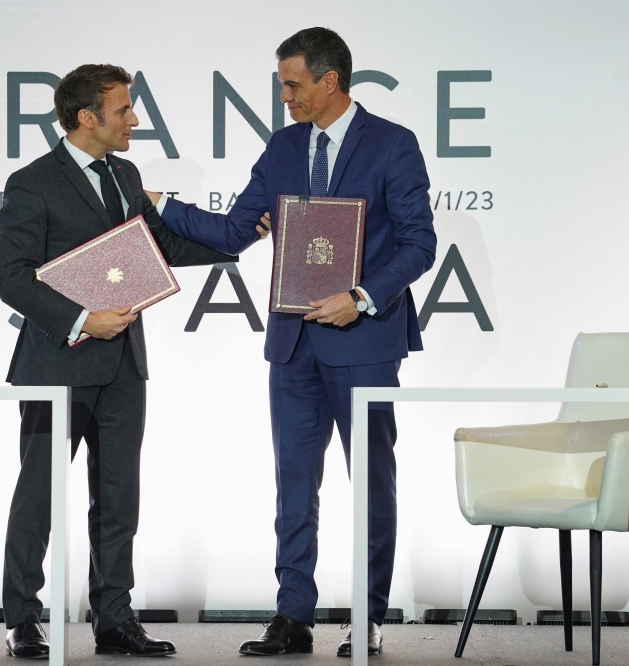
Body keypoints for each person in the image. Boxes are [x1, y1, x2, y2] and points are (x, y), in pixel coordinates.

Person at [145, 27, 436, 657]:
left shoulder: (393, 144)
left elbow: (419, 244)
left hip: (363, 340)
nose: (284, 97)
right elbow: (232, 231)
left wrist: (359, 296)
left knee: (372, 483)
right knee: (293, 487)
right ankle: (292, 616)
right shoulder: (280, 148)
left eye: (293, 85)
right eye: (282, 85)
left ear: (330, 82)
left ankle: (370, 618)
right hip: (293, 346)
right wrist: (161, 204)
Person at [0, 63, 235, 659]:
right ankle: (22, 617)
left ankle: (114, 620)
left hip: (124, 364)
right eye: (123, 110)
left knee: (118, 496)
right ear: (86, 118)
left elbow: (161, 246)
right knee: (40, 495)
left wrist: (239, 237)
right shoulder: (31, 183)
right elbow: (11, 278)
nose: (134, 120)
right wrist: (81, 319)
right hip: (57, 363)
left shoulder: (125, 175)